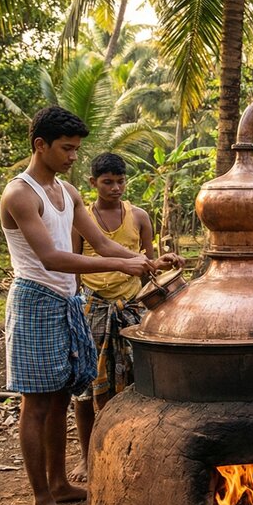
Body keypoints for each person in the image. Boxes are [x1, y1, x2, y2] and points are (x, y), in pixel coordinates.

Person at [0, 107, 160, 505]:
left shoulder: (67, 192)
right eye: (67, 149)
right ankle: (41, 501)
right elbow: (53, 258)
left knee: (58, 399)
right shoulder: (20, 194)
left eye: (76, 149)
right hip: (35, 300)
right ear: (41, 145)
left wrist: (144, 261)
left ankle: (59, 483)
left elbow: (103, 246)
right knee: (35, 403)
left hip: (67, 302)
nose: (73, 156)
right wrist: (121, 266)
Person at [70, 153, 182, 482]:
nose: (115, 188)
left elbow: (147, 266)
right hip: (94, 308)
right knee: (89, 388)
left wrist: (162, 265)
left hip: (131, 307)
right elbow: (76, 265)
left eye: (120, 181)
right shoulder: (82, 219)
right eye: (108, 182)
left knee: (136, 382)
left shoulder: (139, 216)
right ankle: (88, 456)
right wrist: (77, 309)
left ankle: (133, 450)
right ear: (93, 183)